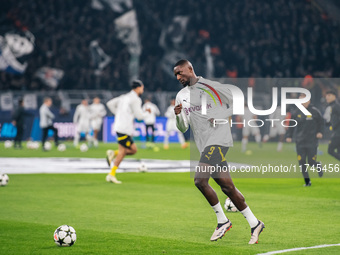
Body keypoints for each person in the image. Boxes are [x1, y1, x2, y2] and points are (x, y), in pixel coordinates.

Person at [173, 59, 264, 243]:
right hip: (204, 145)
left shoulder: (211, 86)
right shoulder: (181, 96)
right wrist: (177, 115)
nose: (178, 77)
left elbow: (238, 102)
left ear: (190, 69)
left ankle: (222, 221)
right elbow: (183, 127)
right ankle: (255, 223)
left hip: (219, 140)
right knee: (227, 187)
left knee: (199, 180)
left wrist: (220, 115)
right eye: (176, 75)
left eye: (180, 72)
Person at [105, 80, 150, 184]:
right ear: (138, 88)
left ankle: (112, 153)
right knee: (123, 152)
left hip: (120, 127)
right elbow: (139, 117)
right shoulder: (136, 99)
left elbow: (109, 103)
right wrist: (147, 113)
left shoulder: (124, 97)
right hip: (124, 129)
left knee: (133, 150)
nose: (142, 90)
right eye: (142, 88)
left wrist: (119, 114)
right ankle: (111, 175)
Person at [286, 94, 324, 186]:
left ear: (309, 101)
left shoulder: (315, 111)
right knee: (301, 161)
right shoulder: (296, 112)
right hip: (300, 141)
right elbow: (292, 125)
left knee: (311, 162)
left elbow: (321, 123)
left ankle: (317, 165)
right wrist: (289, 136)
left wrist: (320, 132)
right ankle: (307, 182)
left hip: (312, 141)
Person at [324, 90, 340, 160]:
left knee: (330, 150)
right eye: (326, 96)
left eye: (329, 95)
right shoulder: (332, 106)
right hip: (336, 131)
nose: (327, 97)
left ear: (334, 96)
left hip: (338, 133)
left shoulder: (336, 106)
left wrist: (335, 125)